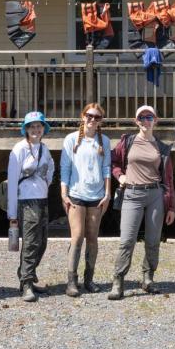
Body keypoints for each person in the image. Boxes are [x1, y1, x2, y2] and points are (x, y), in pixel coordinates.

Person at [107, 105, 175, 300]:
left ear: (156, 120)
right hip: (132, 194)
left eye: (149, 117)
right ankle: (118, 280)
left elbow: (168, 179)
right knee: (127, 240)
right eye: (142, 117)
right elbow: (114, 163)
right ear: (136, 121)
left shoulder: (162, 147)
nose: (146, 121)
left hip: (155, 195)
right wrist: (119, 176)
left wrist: (171, 206)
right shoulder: (127, 142)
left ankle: (148, 278)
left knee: (153, 241)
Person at [60, 103, 111, 297]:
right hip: (76, 194)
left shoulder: (104, 141)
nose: (92, 120)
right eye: (89, 116)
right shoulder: (71, 139)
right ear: (82, 117)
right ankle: (71, 281)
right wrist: (63, 193)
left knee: (92, 237)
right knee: (77, 235)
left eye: (97, 117)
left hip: (96, 196)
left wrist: (107, 193)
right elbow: (65, 168)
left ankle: (89, 279)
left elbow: (106, 168)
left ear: (101, 121)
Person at [7, 111, 55, 302]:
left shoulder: (45, 149)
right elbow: (11, 182)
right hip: (26, 201)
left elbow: (51, 168)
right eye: (32, 126)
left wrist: (45, 184)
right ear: (26, 129)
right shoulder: (18, 149)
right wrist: (12, 213)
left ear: (43, 129)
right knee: (30, 242)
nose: (36, 129)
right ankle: (26, 282)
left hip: (42, 199)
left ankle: (28, 274)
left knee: (42, 242)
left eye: (39, 126)